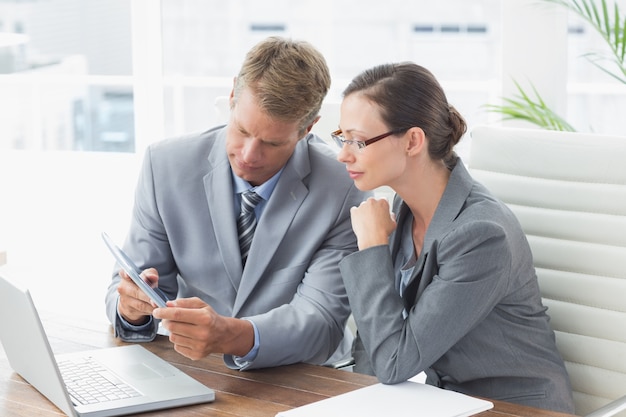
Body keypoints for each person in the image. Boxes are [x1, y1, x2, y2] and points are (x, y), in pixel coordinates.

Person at [104, 36, 369, 370]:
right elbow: (134, 284)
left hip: (304, 376)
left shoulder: (344, 187)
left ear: (308, 129)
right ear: (232, 96)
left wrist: (232, 335)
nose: (249, 155)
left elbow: (322, 322)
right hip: (197, 368)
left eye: (272, 143)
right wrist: (132, 309)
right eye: (242, 130)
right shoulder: (165, 166)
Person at [333, 62, 575, 413]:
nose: (343, 153)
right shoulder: (403, 211)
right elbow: (375, 346)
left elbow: (394, 361)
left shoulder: (481, 234)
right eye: (342, 137)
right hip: (446, 403)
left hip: (515, 409)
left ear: (413, 141)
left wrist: (372, 247)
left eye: (358, 140)